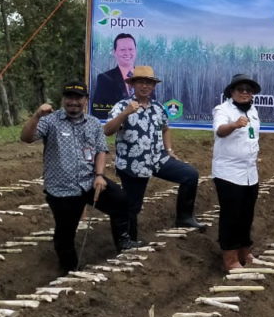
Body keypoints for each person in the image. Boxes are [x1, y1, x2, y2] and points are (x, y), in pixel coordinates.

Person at [20, 80, 132, 273]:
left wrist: (99, 175)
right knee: (65, 233)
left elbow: (100, 151)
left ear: (85, 100)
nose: (74, 102)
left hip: (89, 181)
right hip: (62, 189)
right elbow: (27, 138)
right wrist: (37, 115)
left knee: (121, 201)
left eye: (78, 98)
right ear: (63, 100)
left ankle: (124, 243)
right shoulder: (50, 121)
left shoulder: (94, 124)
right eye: (69, 97)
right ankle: (70, 270)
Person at [102, 66, 205, 245]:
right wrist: (126, 113)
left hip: (158, 159)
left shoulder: (157, 107)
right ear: (133, 84)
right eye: (141, 82)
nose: (145, 86)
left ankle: (184, 216)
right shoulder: (121, 106)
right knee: (132, 206)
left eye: (149, 83)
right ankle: (128, 242)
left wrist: (169, 150)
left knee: (190, 175)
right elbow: (107, 131)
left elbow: (165, 128)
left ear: (153, 86)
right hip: (132, 163)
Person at [212, 74, 262, 271]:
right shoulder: (223, 110)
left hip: (250, 173)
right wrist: (233, 125)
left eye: (248, 90)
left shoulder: (253, 111)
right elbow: (220, 130)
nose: (244, 93)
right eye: (240, 89)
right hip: (228, 173)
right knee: (231, 216)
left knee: (246, 215)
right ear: (231, 92)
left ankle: (245, 252)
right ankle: (230, 259)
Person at [92, 33, 137, 119]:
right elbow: (97, 111)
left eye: (130, 49)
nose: (127, 53)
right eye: (122, 49)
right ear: (114, 52)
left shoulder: (146, 78)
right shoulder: (104, 79)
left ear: (136, 51)